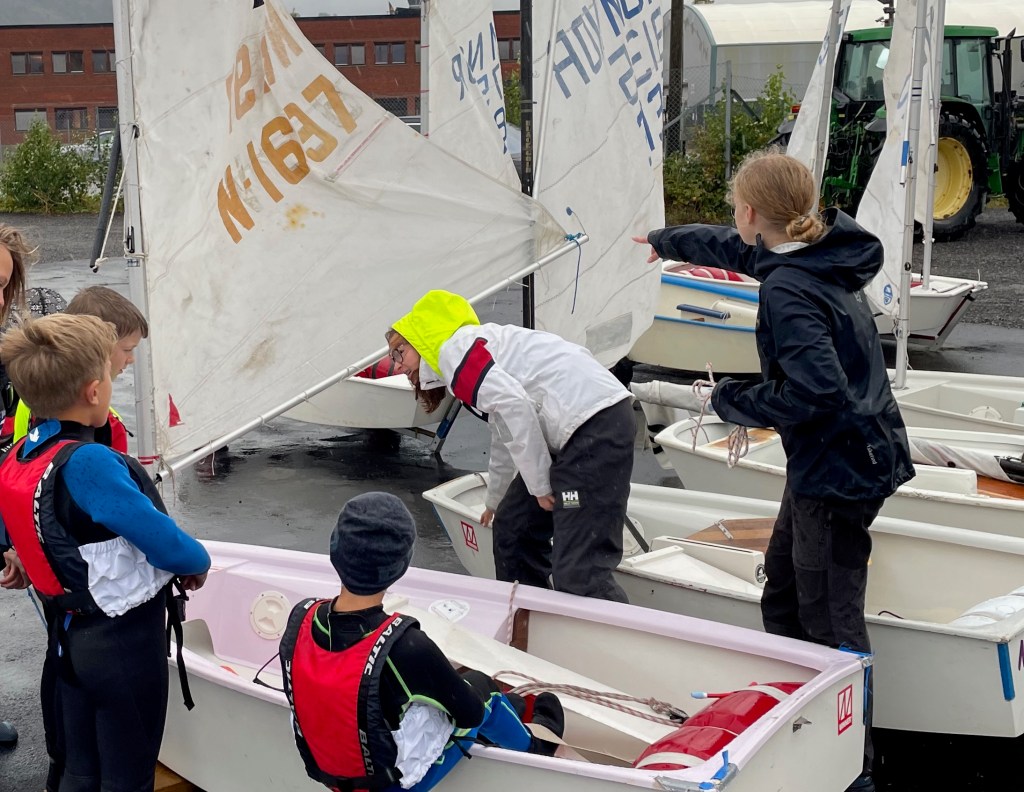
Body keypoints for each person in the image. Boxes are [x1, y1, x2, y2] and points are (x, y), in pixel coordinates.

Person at [634, 149, 914, 792]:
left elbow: (820, 393)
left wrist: (730, 399)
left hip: (839, 472)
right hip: (840, 460)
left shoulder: (790, 288)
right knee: (783, 595)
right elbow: (735, 247)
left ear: (751, 211)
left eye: (737, 209)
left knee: (830, 622)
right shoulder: (816, 251)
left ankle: (854, 767)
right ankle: (799, 723)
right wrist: (665, 241)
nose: (736, 222)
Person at [0, 312, 211, 792]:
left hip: (67, 637)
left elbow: (25, 529)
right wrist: (198, 562)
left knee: (79, 765)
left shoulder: (18, 456)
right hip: (120, 644)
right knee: (127, 770)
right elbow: (164, 542)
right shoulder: (88, 461)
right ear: (94, 392)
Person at [279, 492, 565, 792]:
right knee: (484, 691)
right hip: (391, 787)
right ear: (400, 566)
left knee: (418, 694)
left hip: (335, 778)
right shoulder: (407, 647)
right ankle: (536, 750)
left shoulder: (301, 617)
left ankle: (514, 710)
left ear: (335, 551)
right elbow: (470, 714)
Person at [386, 290, 634, 602]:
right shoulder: (468, 352)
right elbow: (504, 429)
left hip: (594, 427)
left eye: (399, 353)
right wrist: (495, 499)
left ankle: (614, 626)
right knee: (512, 529)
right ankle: (528, 616)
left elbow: (516, 407)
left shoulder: (455, 354)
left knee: (579, 572)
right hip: (575, 430)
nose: (397, 366)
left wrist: (540, 486)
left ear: (421, 341)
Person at [11, 285, 147, 454]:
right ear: (100, 346)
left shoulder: (29, 399)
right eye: (127, 349)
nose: (132, 359)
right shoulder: (106, 421)